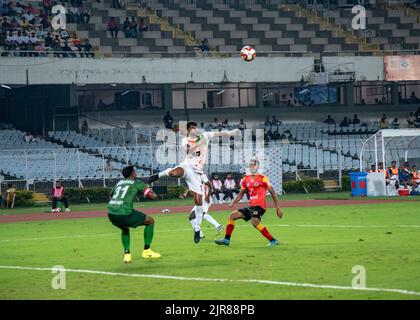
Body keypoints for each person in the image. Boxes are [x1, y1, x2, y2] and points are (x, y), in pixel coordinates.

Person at [146, 121, 240, 243]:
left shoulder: (204, 135)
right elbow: (187, 151)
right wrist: (198, 143)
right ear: (189, 130)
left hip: (197, 173)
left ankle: (197, 229)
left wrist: (231, 133)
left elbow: (218, 133)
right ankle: (157, 176)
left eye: (196, 128)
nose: (196, 130)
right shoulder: (185, 140)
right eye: (193, 128)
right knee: (174, 173)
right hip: (187, 167)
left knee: (198, 202)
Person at [215, 158, 283, 247]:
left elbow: (273, 193)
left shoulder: (263, 178)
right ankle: (226, 239)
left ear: (258, 166)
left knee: (254, 222)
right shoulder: (245, 179)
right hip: (251, 206)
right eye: (251, 164)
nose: (252, 166)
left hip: (259, 206)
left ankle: (273, 241)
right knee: (231, 216)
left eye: (254, 164)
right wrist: (233, 202)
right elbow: (240, 194)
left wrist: (278, 207)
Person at [108, 165, 161, 263]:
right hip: (125, 213)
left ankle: (127, 254)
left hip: (111, 213)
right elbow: (152, 196)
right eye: (135, 171)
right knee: (150, 221)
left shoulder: (119, 183)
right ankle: (147, 250)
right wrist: (151, 191)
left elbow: (111, 195)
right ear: (133, 174)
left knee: (124, 228)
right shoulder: (137, 183)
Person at [188, 174, 223, 240]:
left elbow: (209, 185)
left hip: (205, 198)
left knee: (202, 214)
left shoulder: (202, 175)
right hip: (200, 199)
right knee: (191, 217)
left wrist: (208, 196)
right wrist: (186, 194)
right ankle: (200, 235)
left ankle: (218, 225)